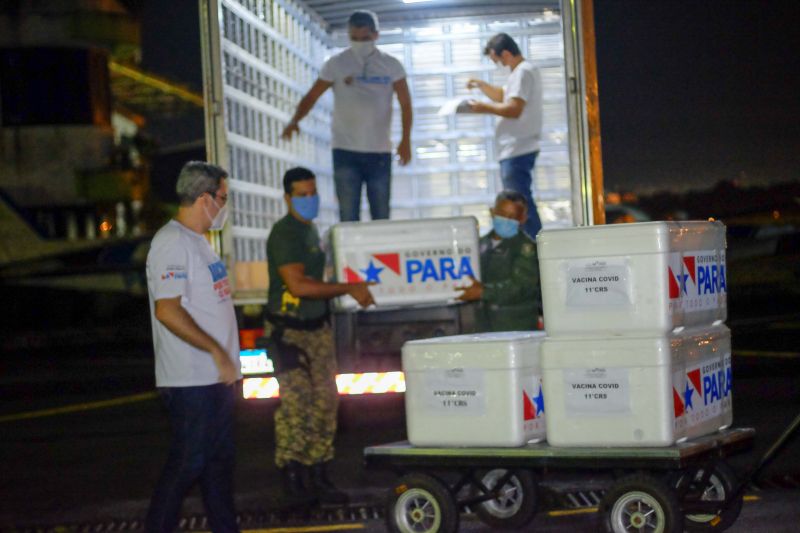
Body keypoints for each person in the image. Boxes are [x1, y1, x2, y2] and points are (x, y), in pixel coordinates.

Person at [265, 166, 375, 505]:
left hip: (316, 330)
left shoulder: (311, 231)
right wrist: (349, 288)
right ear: (287, 198)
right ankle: (295, 481)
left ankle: (319, 477)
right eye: (302, 194)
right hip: (290, 334)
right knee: (298, 407)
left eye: (313, 193)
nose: (309, 199)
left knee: (326, 404)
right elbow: (297, 286)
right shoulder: (285, 234)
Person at [144, 161, 242, 533]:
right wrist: (216, 350)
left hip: (213, 380)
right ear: (204, 198)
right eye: (223, 198)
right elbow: (167, 311)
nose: (224, 206)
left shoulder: (197, 242)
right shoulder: (171, 243)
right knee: (188, 465)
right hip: (191, 381)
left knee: (217, 468)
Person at [280, 10, 412, 222]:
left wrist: (405, 140)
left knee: (381, 215)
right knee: (348, 216)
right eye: (355, 38)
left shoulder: (391, 65)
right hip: (345, 151)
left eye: (365, 38)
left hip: (379, 152)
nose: (360, 43)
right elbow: (312, 95)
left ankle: (381, 254)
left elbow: (406, 104)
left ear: (376, 35)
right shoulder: (336, 64)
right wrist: (295, 120)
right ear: (349, 36)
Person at [467, 33, 544, 239]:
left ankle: (535, 246)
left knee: (518, 204)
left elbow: (513, 108)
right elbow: (504, 96)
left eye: (497, 60)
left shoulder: (522, 72)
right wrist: (481, 86)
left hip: (517, 148)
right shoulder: (520, 73)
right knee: (521, 201)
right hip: (515, 149)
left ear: (507, 53)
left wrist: (484, 107)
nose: (498, 65)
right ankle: (533, 245)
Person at [457, 190, 541, 332]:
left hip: (516, 327)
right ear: (492, 212)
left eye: (513, 216)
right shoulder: (478, 244)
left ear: (523, 219)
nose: (506, 220)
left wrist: (483, 292)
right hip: (483, 326)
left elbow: (521, 286)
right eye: (502, 214)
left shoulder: (526, 249)